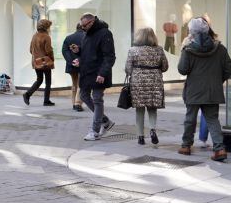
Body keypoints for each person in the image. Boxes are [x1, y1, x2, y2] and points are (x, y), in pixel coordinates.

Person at [178, 17, 231, 161]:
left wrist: (183, 50)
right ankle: (219, 149)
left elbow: (182, 70)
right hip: (212, 90)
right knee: (212, 119)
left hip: (193, 90)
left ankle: (186, 146)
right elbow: (228, 68)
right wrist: (217, 80)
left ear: (191, 32)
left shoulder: (188, 49)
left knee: (190, 119)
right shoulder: (219, 48)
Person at [74, 13, 116, 141]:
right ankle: (105, 121)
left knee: (97, 99)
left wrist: (102, 73)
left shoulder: (105, 33)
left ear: (92, 22)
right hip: (87, 72)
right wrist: (79, 52)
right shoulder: (87, 33)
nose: (82, 28)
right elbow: (90, 51)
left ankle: (95, 131)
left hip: (99, 73)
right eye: (81, 26)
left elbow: (109, 57)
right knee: (83, 96)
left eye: (84, 26)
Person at [124, 27, 168, 146]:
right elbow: (165, 67)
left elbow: (128, 69)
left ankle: (140, 137)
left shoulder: (133, 50)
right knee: (152, 107)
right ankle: (152, 130)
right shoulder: (159, 50)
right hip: (155, 81)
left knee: (139, 109)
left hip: (138, 83)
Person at [23, 19, 56, 106]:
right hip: (45, 62)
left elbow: (30, 50)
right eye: (49, 27)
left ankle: (27, 94)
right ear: (46, 27)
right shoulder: (46, 37)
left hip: (36, 62)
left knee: (39, 79)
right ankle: (46, 100)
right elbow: (49, 50)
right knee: (48, 81)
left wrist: (36, 57)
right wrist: (52, 59)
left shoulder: (34, 36)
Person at [62, 23, 85, 112]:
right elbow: (87, 51)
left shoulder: (68, 38)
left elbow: (64, 51)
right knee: (81, 84)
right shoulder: (86, 37)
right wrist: (79, 60)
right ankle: (77, 103)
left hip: (71, 65)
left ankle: (73, 103)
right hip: (82, 64)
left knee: (74, 83)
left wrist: (71, 61)